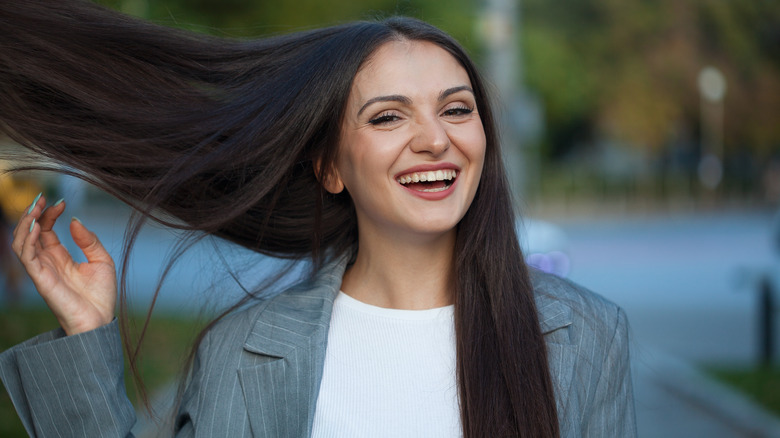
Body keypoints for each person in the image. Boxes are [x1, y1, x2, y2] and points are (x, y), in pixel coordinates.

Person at [0, 1, 635, 436]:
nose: (435, 139)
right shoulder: (241, 352)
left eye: (457, 109)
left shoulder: (586, 336)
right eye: (388, 116)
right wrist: (87, 332)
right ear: (330, 167)